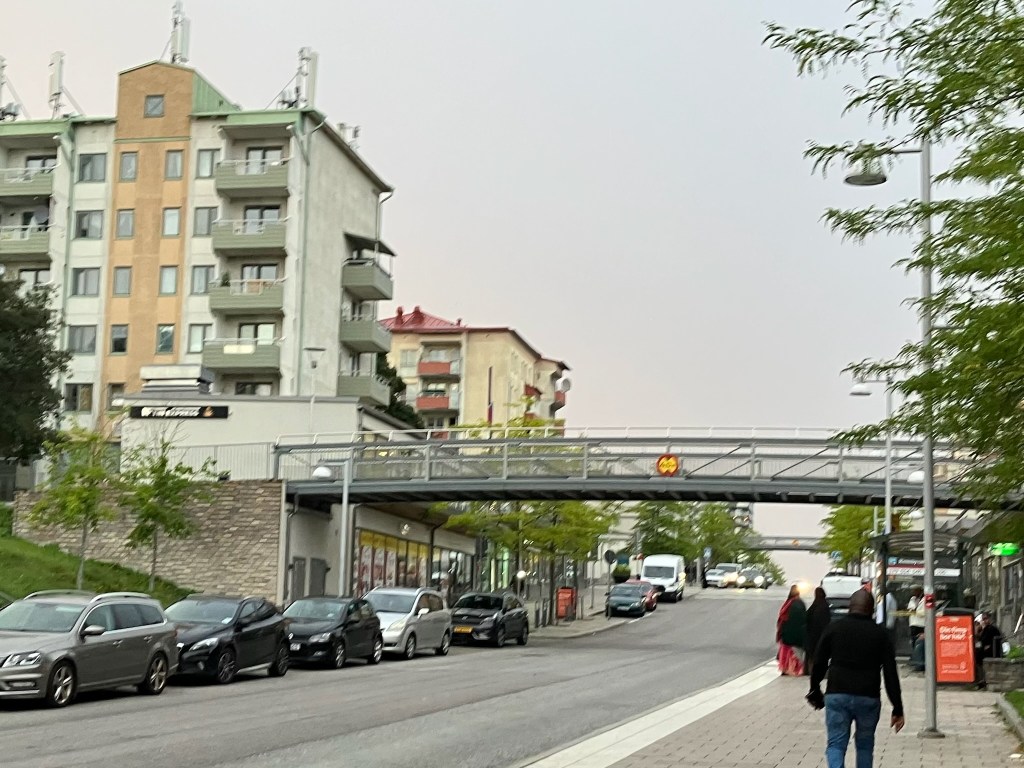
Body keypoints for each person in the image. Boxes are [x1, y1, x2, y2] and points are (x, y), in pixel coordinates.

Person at [808, 589, 904, 768]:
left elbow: (819, 661)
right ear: (872, 609)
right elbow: (890, 673)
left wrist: (814, 688)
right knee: (865, 745)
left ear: (850, 607)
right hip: (868, 696)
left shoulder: (834, 628)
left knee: (836, 744)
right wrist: (897, 708)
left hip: (837, 693)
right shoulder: (880, 634)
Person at [777, 584, 808, 676]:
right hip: (797, 634)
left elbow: (782, 618)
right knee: (796, 652)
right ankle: (795, 669)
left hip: (787, 633)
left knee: (787, 651)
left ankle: (786, 669)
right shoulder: (800, 603)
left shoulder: (788, 603)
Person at [805, 587, 832, 679]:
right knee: (820, 654)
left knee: (812, 654)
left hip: (813, 635)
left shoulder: (815, 605)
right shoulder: (825, 606)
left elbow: (807, 616)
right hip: (821, 635)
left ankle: (811, 671)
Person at [975, 612, 1003, 688]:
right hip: (987, 649)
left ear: (989, 618)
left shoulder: (992, 628)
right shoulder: (986, 628)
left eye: (985, 619)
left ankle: (983, 679)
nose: (984, 621)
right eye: (983, 619)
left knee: (979, 656)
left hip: (993, 650)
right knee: (977, 656)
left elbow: (985, 640)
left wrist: (985, 645)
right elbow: (981, 639)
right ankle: (981, 679)